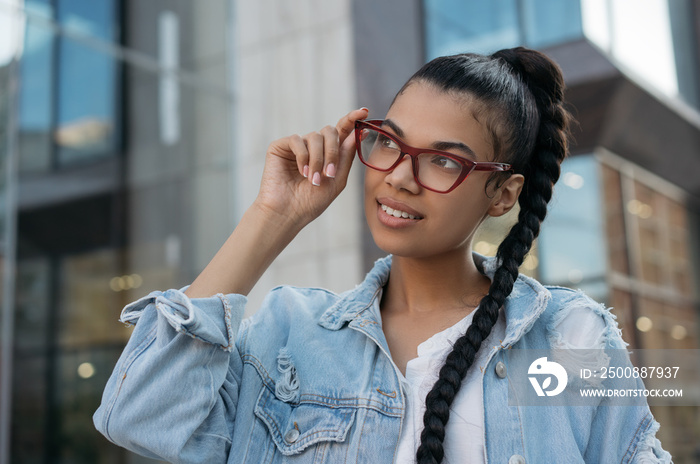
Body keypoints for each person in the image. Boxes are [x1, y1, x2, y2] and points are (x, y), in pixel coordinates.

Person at [94, 47, 671, 463]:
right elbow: (138, 417)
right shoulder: (289, 333)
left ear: (503, 195)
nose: (400, 178)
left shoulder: (569, 337)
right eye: (390, 142)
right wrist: (275, 216)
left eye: (445, 160)